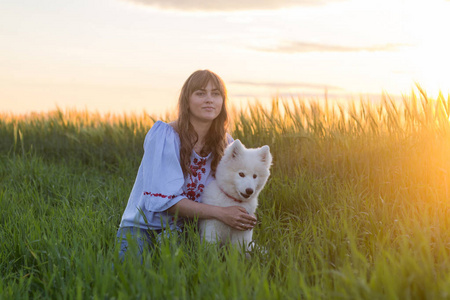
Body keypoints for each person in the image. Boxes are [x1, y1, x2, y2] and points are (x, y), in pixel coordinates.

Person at [116, 69, 257, 261]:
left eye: (216, 94)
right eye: (200, 93)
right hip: (143, 227)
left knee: (199, 275)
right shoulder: (165, 136)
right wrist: (222, 214)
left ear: (222, 102)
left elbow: (234, 189)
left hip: (188, 229)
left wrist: (243, 214)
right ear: (187, 101)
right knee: (132, 278)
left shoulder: (227, 144)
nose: (209, 99)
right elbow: (166, 202)